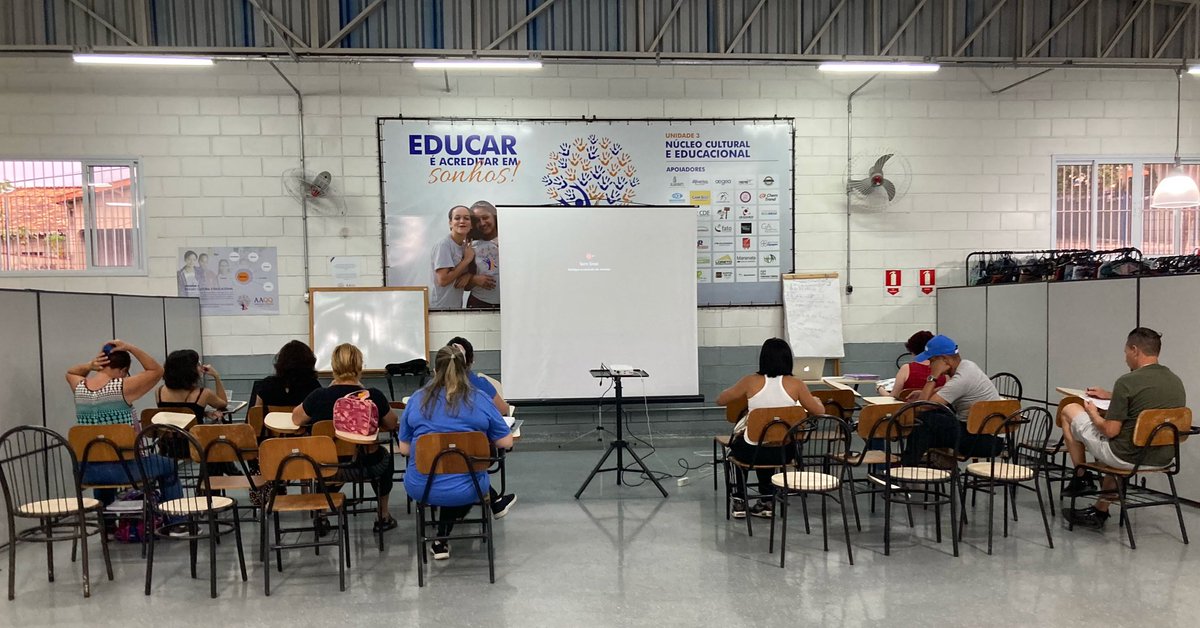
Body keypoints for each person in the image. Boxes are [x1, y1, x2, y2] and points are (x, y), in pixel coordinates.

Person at [1059, 327, 1187, 530]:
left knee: (1069, 410)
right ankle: (1100, 510)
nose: (1125, 357)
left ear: (1135, 350)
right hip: (1162, 458)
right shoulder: (1175, 381)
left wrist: (1093, 413)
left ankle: (1081, 476)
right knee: (1122, 440)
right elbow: (1146, 400)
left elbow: (1109, 431)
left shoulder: (1127, 381)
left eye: (1126, 351)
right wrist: (1111, 395)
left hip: (1126, 457)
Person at [399, 345, 514, 560]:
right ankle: (444, 536)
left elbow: (404, 449)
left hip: (422, 488)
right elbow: (506, 442)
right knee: (463, 475)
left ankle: (441, 538)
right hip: (470, 488)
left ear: (435, 371)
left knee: (449, 475)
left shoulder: (416, 399)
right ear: (465, 370)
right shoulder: (480, 398)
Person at [292, 343, 399, 532]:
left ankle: (322, 515)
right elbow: (392, 423)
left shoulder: (319, 396)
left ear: (334, 366)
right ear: (359, 366)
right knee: (386, 458)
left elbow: (296, 418)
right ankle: (383, 515)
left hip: (328, 468)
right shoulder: (373, 395)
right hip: (366, 466)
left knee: (325, 459)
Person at [716, 338, 825, 519]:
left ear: (763, 359)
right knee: (772, 441)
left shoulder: (750, 381)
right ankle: (767, 501)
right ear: (788, 359)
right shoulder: (797, 384)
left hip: (752, 454)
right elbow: (819, 412)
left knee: (737, 449)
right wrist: (816, 401)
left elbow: (720, 400)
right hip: (784, 453)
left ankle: (740, 500)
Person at [66, 340, 181, 507]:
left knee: (101, 455)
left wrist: (91, 365)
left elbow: (70, 372)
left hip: (87, 471)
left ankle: (107, 521)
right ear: (123, 370)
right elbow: (156, 370)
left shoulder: (79, 387)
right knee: (169, 465)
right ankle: (176, 518)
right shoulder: (123, 387)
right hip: (125, 470)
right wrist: (130, 347)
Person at [901, 334, 1005, 466]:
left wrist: (933, 376)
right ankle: (930, 467)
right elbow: (946, 392)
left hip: (985, 441)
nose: (929, 365)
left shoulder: (962, 378)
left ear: (944, 359)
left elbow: (921, 406)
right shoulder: (967, 366)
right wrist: (925, 392)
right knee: (926, 428)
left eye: (932, 361)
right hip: (983, 435)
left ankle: (907, 467)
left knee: (926, 420)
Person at [430, 205, 482, 309]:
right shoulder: (444, 245)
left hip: (456, 307)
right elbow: (443, 280)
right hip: (440, 309)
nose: (462, 221)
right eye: (457, 218)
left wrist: (468, 275)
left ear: (471, 225)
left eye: (466, 218)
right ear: (450, 223)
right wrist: (466, 260)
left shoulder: (465, 247)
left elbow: (464, 277)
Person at [155, 349, 228, 421]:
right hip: (193, 429)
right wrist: (216, 376)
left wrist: (204, 413)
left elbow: (174, 415)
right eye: (198, 364)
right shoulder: (203, 394)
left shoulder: (159, 391)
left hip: (166, 429)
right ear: (191, 371)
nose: (201, 367)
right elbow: (223, 404)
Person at [248, 340, 322, 410]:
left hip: (272, 420)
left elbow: (254, 415)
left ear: (281, 362)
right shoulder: (313, 387)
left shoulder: (265, 386)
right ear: (309, 363)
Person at [446, 336, 511, 416]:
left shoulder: (435, 389)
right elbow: (502, 410)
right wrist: (506, 406)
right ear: (471, 360)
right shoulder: (481, 385)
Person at [886, 330, 947, 400]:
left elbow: (893, 397)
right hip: (938, 406)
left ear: (912, 351)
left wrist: (880, 388)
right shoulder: (945, 370)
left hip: (910, 406)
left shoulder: (906, 369)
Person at [466, 200, 500, 309]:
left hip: (510, 303)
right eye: (477, 220)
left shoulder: (511, 239)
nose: (482, 223)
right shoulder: (470, 246)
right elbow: (463, 285)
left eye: (485, 217)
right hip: (479, 303)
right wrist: (474, 279)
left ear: (494, 217)